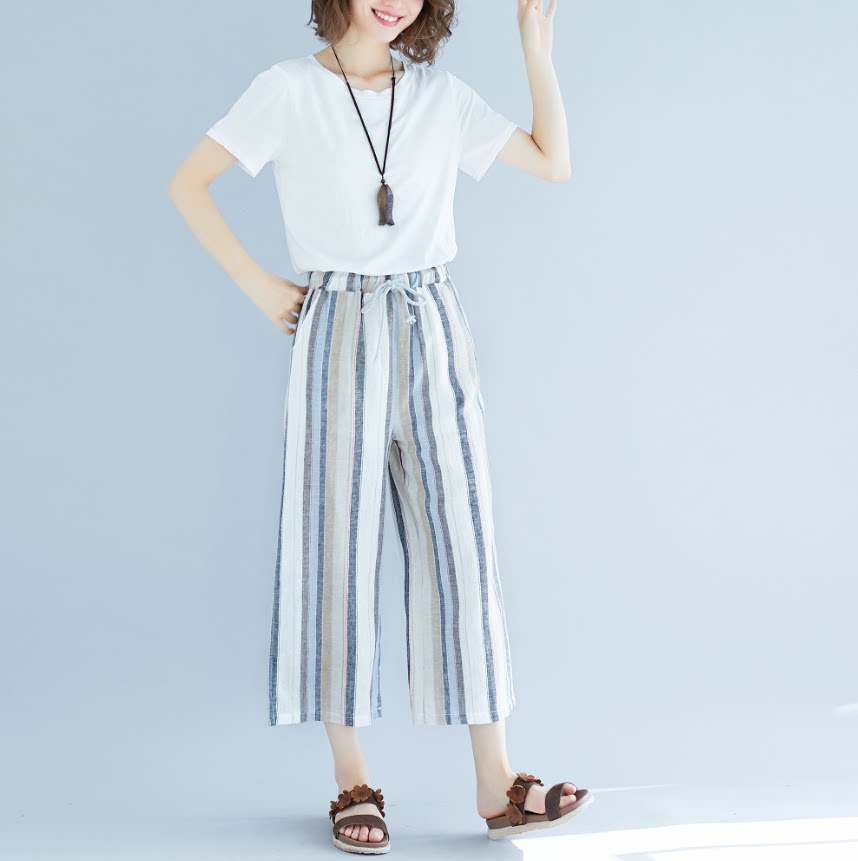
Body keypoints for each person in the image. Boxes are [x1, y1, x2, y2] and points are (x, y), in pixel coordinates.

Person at [168, 0, 590, 852]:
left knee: (464, 544)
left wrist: (535, 49)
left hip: (433, 322)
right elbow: (188, 183)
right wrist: (258, 284)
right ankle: (352, 779)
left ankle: (496, 781)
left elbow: (553, 164)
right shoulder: (287, 89)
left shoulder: (440, 96)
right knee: (335, 550)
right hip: (337, 324)